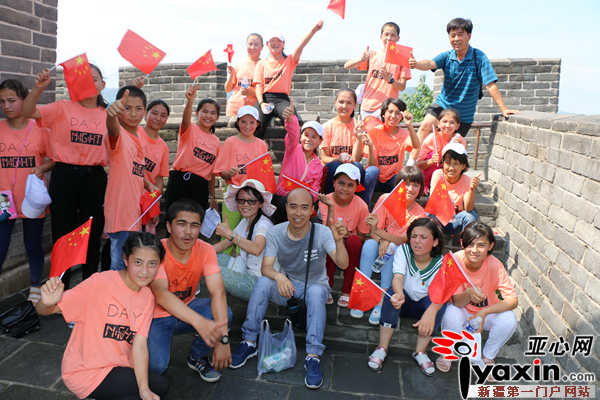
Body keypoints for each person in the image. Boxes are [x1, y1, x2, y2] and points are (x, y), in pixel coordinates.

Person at [229, 188, 349, 389]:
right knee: (263, 282)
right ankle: (249, 342)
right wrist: (279, 277)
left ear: (312, 210)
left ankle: (313, 356)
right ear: (286, 209)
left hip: (315, 286)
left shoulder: (322, 232)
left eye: (304, 207)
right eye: (293, 207)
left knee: (316, 292)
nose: (298, 213)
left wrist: (338, 240)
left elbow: (343, 264)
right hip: (288, 287)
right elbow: (266, 267)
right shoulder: (276, 232)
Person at [35, 232, 169, 400]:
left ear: (159, 265)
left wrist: (143, 389)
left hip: (119, 367)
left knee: (154, 390)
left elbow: (140, 344)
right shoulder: (100, 282)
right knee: (158, 386)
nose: (144, 271)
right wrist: (46, 303)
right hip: (86, 371)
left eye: (152, 264)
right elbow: (44, 311)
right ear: (125, 259)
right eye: (138, 262)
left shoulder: (147, 297)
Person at [21, 65, 108, 288]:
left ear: (102, 85)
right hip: (64, 175)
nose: (90, 83)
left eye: (95, 79)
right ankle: (60, 289)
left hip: (95, 178)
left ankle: (87, 288)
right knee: (62, 233)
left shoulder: (108, 116)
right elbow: (28, 111)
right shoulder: (62, 107)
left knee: (91, 232)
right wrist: (38, 89)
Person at [407, 18, 520, 163]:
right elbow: (430, 63)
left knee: (451, 151)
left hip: (463, 115)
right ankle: (410, 165)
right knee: (425, 126)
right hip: (443, 104)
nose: (456, 39)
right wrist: (416, 64)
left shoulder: (479, 58)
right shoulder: (447, 56)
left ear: (469, 35)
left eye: (460, 34)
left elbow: (490, 84)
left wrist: (503, 109)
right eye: (452, 35)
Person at [147, 200, 231, 383]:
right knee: (157, 367)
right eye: (181, 224)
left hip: (188, 307)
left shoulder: (205, 249)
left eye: (194, 226)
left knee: (225, 314)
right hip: (155, 316)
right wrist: (201, 323)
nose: (188, 232)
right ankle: (136, 347)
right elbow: (160, 294)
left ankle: (197, 356)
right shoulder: (156, 250)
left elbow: (218, 292)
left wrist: (223, 338)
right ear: (168, 226)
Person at [367, 217, 446, 377]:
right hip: (404, 302)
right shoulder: (403, 250)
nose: (417, 241)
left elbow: (441, 292)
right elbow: (398, 277)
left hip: (424, 307)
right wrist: (399, 293)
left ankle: (420, 352)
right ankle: (382, 348)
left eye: (424, 237)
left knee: (438, 305)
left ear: (435, 242)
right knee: (391, 294)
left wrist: (432, 311)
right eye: (414, 236)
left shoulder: (441, 262)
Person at [437, 222, 518, 377]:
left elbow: (513, 300)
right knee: (451, 312)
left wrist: (484, 313)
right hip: (463, 310)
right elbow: (456, 302)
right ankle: (448, 352)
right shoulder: (455, 261)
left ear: (490, 246)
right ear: (462, 244)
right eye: (470, 244)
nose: (475, 250)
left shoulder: (495, 264)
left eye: (481, 245)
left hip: (485, 315)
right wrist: (468, 294)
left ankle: (487, 357)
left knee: (509, 318)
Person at [0, 79, 54, 305]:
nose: (6, 106)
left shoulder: (41, 129)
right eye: (2, 102)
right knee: (1, 245)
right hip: (3, 199)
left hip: (31, 198)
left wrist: (41, 168)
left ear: (24, 99)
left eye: (12, 100)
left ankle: (34, 284)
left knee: (32, 243)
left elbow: (54, 159)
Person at [350, 167, 427, 323]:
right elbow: (372, 231)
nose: (410, 189)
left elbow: (404, 240)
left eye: (415, 185)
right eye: (405, 184)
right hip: (379, 245)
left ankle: (381, 300)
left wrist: (385, 238)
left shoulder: (420, 214)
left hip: (400, 251)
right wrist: (381, 240)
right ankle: (361, 295)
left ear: (420, 188)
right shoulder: (385, 199)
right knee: (370, 245)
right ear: (398, 184)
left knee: (395, 249)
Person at [105, 86, 159, 271]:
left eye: (138, 108)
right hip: (122, 215)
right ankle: (114, 299)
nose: (133, 113)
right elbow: (112, 130)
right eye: (127, 108)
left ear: (145, 111)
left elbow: (134, 170)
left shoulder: (137, 137)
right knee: (120, 268)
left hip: (134, 215)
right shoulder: (120, 135)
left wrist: (148, 183)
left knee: (130, 266)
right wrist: (111, 115)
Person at [253, 21, 324, 139]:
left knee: (292, 121)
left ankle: (294, 154)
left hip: (282, 100)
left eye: (278, 41)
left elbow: (300, 46)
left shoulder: (289, 61)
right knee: (255, 125)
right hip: (265, 98)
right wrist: (261, 103)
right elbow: (258, 86)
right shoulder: (261, 63)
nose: (275, 43)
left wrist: (313, 31)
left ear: (283, 44)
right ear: (267, 44)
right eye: (272, 41)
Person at [213, 179, 276, 301]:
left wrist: (230, 235)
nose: (246, 205)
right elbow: (225, 244)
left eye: (251, 201)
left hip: (257, 282)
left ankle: (218, 301)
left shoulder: (264, 225)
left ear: (261, 203)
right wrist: (199, 251)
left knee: (212, 272)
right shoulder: (245, 221)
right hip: (244, 269)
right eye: (241, 200)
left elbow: (257, 249)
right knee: (211, 258)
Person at [213, 105, 268, 242]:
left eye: (251, 122)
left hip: (253, 194)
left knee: (248, 232)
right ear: (237, 122)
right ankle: (224, 262)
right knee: (228, 230)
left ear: (257, 124)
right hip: (233, 192)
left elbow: (264, 173)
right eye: (243, 121)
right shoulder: (230, 142)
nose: (247, 126)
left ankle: (242, 262)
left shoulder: (261, 145)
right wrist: (229, 173)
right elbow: (221, 173)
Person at [318, 164, 369, 307]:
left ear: (356, 188)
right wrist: (332, 207)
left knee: (354, 241)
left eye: (350, 185)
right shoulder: (326, 201)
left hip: (350, 246)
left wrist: (348, 235)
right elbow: (327, 232)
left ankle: (347, 291)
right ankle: (326, 287)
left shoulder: (362, 206)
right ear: (333, 183)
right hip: (331, 243)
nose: (345, 189)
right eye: (341, 183)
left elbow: (362, 237)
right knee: (331, 241)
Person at [165, 86, 220, 213]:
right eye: (205, 112)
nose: (208, 116)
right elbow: (185, 121)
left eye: (213, 113)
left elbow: (212, 172)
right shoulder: (190, 129)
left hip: (200, 186)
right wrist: (190, 101)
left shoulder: (216, 141)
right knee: (174, 219)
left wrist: (212, 197)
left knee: (195, 221)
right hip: (179, 181)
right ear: (197, 113)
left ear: (217, 117)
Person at [344, 22, 411, 120]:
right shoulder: (372, 55)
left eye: (393, 35)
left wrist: (389, 79)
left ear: (398, 38)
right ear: (381, 37)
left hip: (388, 109)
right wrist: (361, 59)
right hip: (368, 107)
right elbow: (347, 66)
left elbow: (402, 86)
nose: (389, 38)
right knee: (367, 135)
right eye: (386, 34)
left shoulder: (403, 59)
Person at [271, 100, 324, 224]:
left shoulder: (318, 165)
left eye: (314, 137)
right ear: (301, 137)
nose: (309, 139)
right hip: (283, 198)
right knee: (287, 204)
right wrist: (290, 119)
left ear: (320, 141)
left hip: (302, 202)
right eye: (306, 135)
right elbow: (292, 133)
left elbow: (314, 191)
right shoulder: (293, 148)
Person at [363, 98, 419, 209]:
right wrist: (370, 147)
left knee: (402, 176)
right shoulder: (374, 132)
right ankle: (365, 208)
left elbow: (416, 146)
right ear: (383, 113)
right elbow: (372, 165)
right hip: (375, 179)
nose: (393, 116)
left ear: (402, 116)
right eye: (390, 111)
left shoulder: (404, 134)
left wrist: (409, 126)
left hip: (392, 181)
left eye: (398, 113)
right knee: (372, 171)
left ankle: (393, 211)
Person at [320, 89, 367, 198]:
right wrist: (338, 159)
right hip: (333, 166)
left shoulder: (358, 126)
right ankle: (327, 200)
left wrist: (358, 137)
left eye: (349, 103)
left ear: (355, 105)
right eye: (341, 102)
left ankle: (357, 204)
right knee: (334, 165)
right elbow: (324, 158)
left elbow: (357, 159)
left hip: (350, 167)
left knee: (358, 167)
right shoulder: (327, 127)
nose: (344, 106)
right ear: (335, 102)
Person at [430, 142, 481, 235]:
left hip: (456, 222)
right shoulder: (438, 174)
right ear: (443, 163)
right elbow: (433, 203)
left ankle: (468, 244)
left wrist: (472, 189)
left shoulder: (467, 181)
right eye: (448, 163)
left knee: (471, 215)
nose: (451, 168)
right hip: (439, 220)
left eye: (456, 163)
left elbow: (468, 208)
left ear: (463, 166)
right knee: (429, 215)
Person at [415, 108, 466, 195]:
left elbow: (465, 167)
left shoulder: (460, 140)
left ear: (457, 126)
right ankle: (426, 186)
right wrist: (431, 161)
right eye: (444, 121)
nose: (448, 125)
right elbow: (418, 165)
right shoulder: (431, 138)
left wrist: (459, 148)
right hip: (429, 177)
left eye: (452, 122)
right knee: (432, 155)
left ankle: (451, 186)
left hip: (449, 178)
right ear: (438, 123)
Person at [225, 34, 264, 117]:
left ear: (262, 47)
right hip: (234, 109)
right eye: (250, 44)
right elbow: (228, 89)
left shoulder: (264, 65)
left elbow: (268, 94)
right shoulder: (239, 62)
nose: (253, 47)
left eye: (256, 44)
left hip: (253, 112)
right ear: (246, 45)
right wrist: (231, 75)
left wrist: (252, 93)